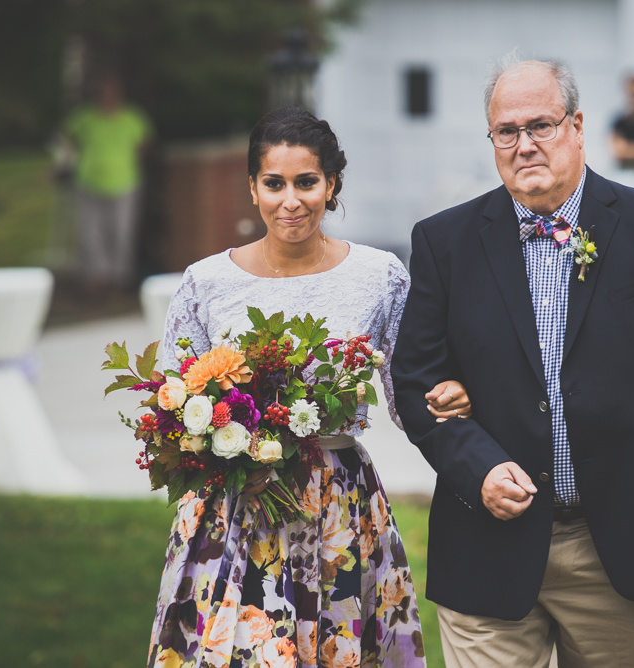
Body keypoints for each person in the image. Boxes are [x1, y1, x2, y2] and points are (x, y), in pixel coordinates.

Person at [391, 54, 634, 668]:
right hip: (486, 547)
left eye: (540, 126)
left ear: (576, 126)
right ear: (492, 139)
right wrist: (476, 467)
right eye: (507, 131)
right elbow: (416, 377)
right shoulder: (442, 243)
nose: (524, 145)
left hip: (617, 544)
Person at [149, 107, 471, 667]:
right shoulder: (206, 282)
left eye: (306, 182)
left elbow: (405, 395)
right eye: (273, 184)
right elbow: (173, 404)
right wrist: (216, 445)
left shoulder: (379, 276)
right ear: (252, 188)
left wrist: (453, 400)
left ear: (333, 185)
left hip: (338, 505)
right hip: (233, 508)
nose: (290, 200)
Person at [64, 72, 151, 289]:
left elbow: (144, 144)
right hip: (88, 180)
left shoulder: (132, 117)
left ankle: (120, 277)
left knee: (122, 230)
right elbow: (68, 139)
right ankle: (96, 277)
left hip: (125, 181)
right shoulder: (84, 117)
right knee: (91, 231)